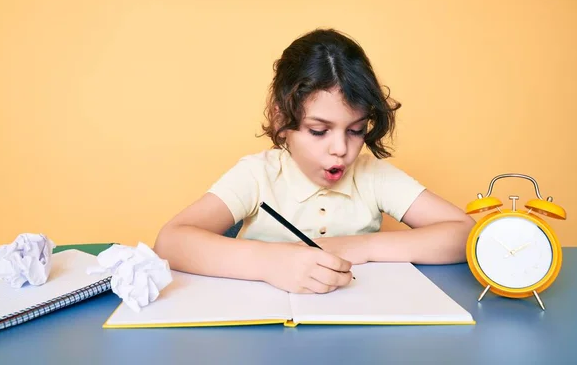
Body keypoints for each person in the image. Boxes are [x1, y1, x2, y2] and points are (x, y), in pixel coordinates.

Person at [153, 28, 475, 294]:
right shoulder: (257, 175)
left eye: (356, 130)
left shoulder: (372, 176)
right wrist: (270, 262)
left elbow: (464, 234)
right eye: (319, 131)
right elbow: (171, 241)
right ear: (282, 119)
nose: (341, 149)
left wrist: (360, 246)